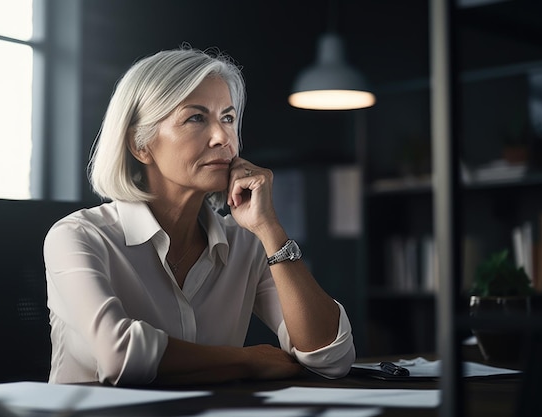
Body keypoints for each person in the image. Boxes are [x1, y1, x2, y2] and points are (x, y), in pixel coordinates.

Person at [44, 45, 356, 387]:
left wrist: (269, 229)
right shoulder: (77, 237)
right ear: (140, 144)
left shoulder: (246, 245)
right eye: (196, 118)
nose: (224, 138)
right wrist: (249, 361)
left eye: (228, 118)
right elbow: (120, 357)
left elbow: (330, 356)